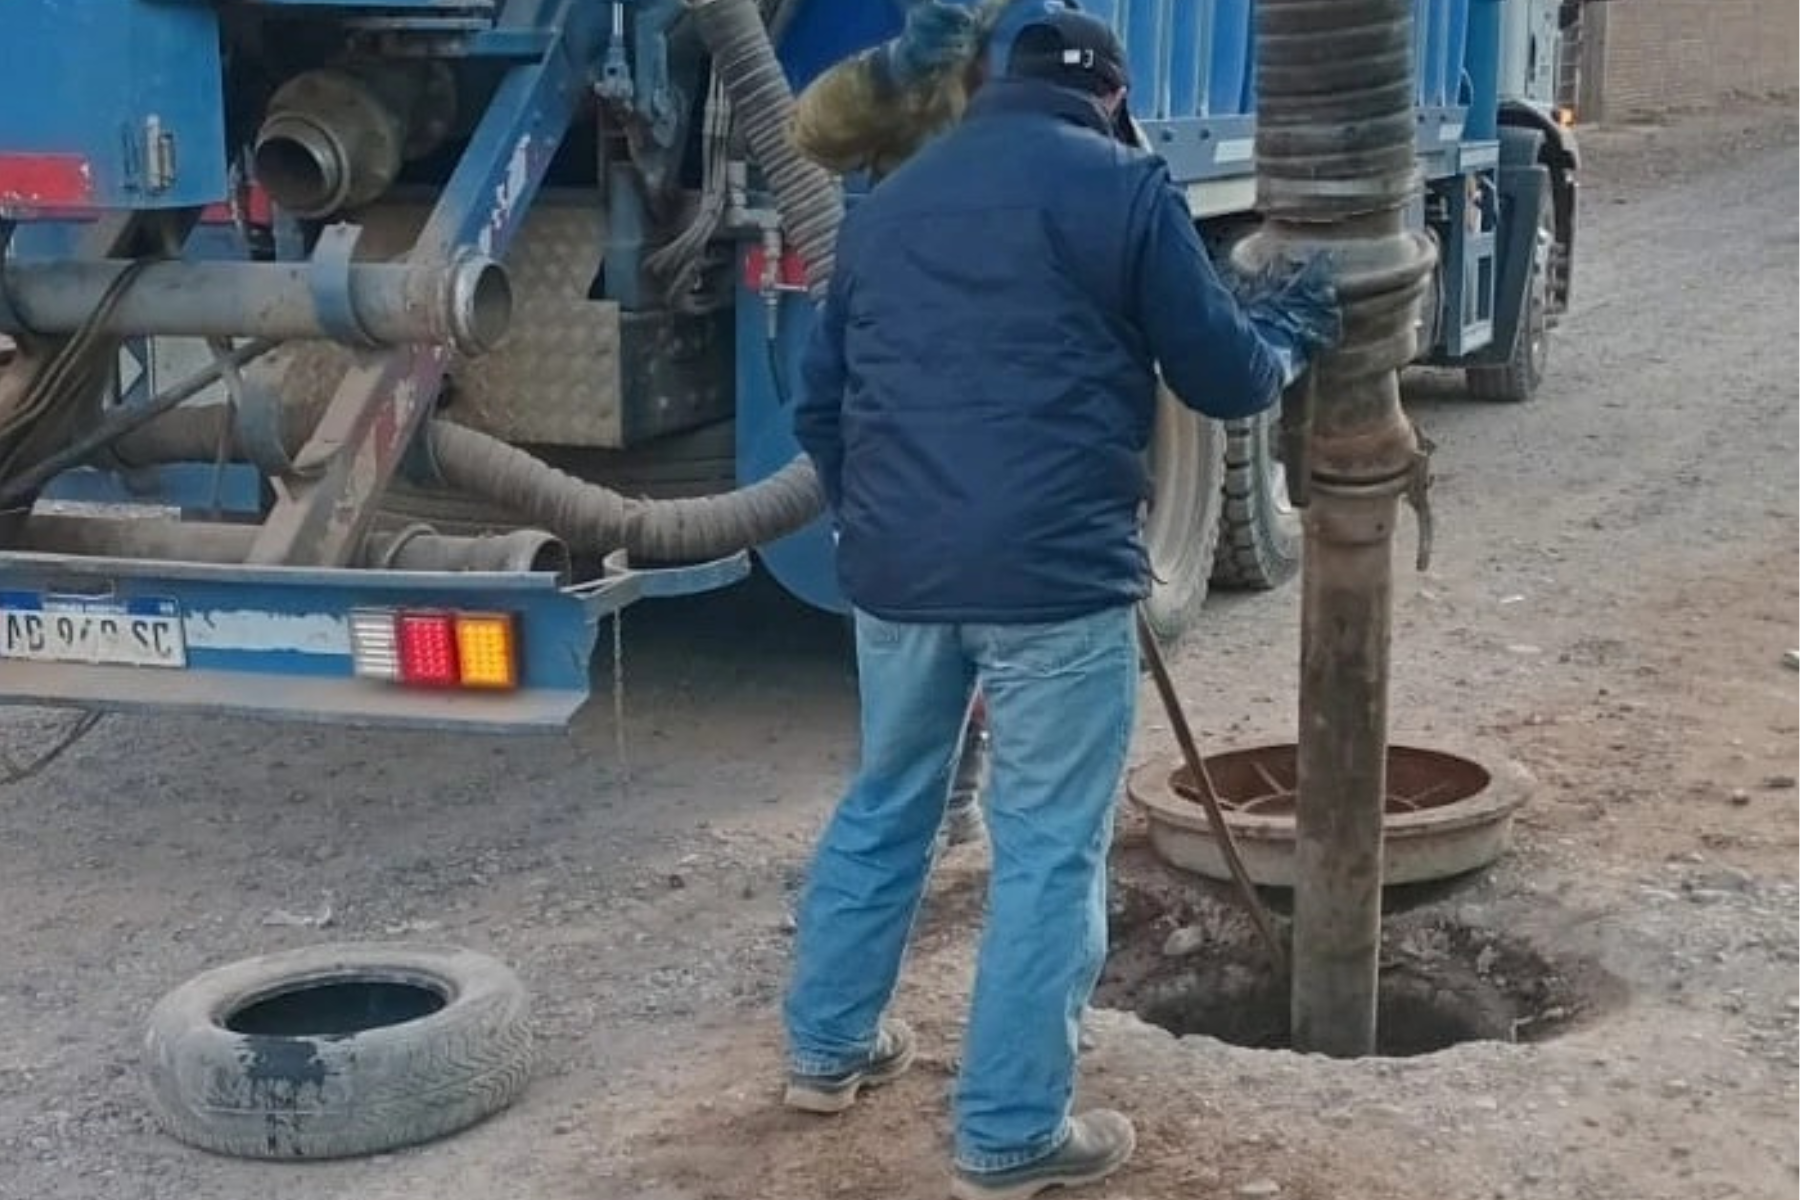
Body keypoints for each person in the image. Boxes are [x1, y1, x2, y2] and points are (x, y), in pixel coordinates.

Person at [781, 6, 1341, 1198]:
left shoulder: (888, 208)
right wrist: (1289, 334)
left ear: (989, 83)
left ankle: (827, 1052)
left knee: (888, 800)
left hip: (897, 573)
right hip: (1051, 580)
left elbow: (818, 400)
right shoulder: (1125, 191)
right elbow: (1224, 373)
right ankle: (1009, 1134)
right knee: (1045, 850)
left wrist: (873, 521)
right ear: (1112, 97)